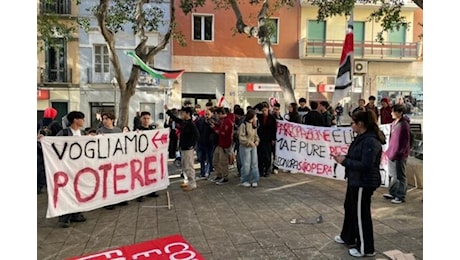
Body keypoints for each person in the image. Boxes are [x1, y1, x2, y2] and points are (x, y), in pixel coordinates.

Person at [332, 110, 386, 258]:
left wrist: (345, 161)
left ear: (360, 124)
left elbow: (366, 165)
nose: (351, 126)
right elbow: (355, 156)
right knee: (349, 208)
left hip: (364, 181)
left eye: (353, 123)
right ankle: (348, 237)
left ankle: (366, 248)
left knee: (361, 214)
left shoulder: (370, 140)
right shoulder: (362, 137)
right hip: (355, 179)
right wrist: (343, 159)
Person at [55, 111, 88, 228]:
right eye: (82, 119)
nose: (84, 121)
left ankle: (76, 214)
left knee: (78, 191)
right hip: (66, 167)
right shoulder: (64, 133)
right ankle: (64, 217)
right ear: (75, 120)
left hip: (79, 168)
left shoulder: (83, 133)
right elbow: (53, 145)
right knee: (66, 191)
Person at [96, 112, 128, 209]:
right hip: (105, 159)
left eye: (106, 118)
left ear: (112, 120)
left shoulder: (117, 130)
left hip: (116, 159)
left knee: (116, 179)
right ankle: (107, 202)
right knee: (107, 181)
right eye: (103, 119)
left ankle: (118, 199)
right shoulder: (100, 131)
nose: (104, 120)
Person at [165, 105, 200, 191]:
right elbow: (176, 119)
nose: (182, 114)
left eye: (183, 113)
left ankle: (192, 183)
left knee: (189, 166)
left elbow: (197, 136)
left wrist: (191, 144)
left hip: (188, 148)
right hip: (183, 147)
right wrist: (168, 111)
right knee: (184, 166)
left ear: (188, 114)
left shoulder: (191, 124)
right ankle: (187, 181)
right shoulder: (184, 122)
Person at [383, 104, 411, 204]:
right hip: (391, 152)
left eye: (393, 111)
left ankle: (400, 195)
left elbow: (405, 141)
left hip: (399, 155)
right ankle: (393, 192)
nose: (391, 113)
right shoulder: (394, 123)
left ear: (400, 112)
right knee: (392, 174)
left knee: (400, 176)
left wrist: (400, 153)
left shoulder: (404, 125)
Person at [134, 111, 159, 201]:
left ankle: (150, 191)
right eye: (144, 118)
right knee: (141, 175)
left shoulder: (152, 130)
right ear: (141, 119)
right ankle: (139, 195)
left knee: (150, 174)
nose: (146, 120)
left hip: (150, 156)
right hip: (140, 157)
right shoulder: (137, 130)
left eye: (148, 118)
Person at [37, 107, 63, 194]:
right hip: (51, 149)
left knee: (39, 167)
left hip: (38, 147)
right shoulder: (55, 124)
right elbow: (60, 136)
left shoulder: (38, 122)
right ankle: (49, 184)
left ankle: (38, 186)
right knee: (51, 166)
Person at [209, 107, 234, 185]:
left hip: (225, 145)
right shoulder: (222, 120)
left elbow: (223, 133)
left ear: (220, 114)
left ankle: (225, 177)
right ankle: (219, 175)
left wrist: (214, 128)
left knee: (223, 162)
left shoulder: (228, 122)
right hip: (220, 144)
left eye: (217, 114)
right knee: (215, 161)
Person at [238, 110, 260, 188]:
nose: (256, 118)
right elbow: (241, 137)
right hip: (245, 147)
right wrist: (249, 142)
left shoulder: (254, 125)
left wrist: (257, 140)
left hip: (253, 146)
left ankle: (255, 179)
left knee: (254, 163)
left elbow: (256, 135)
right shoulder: (243, 125)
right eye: (255, 117)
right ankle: (244, 180)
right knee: (246, 164)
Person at [256, 102, 277, 177]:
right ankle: (260, 170)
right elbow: (253, 109)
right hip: (260, 138)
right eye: (263, 110)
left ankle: (267, 169)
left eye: (265, 110)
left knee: (267, 155)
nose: (264, 112)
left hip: (268, 139)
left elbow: (274, 129)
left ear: (268, 109)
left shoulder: (272, 118)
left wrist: (273, 139)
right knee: (260, 155)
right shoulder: (259, 117)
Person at [195, 108, 216, 180]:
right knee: (202, 159)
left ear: (211, 114)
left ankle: (208, 172)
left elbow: (215, 131)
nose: (207, 116)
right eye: (206, 114)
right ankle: (202, 172)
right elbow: (196, 129)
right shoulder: (200, 121)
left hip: (209, 143)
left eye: (208, 114)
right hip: (201, 142)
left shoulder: (213, 121)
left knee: (209, 158)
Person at [271, 103, 283, 174]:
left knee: (276, 154)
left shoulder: (280, 118)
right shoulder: (270, 117)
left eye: (277, 109)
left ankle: (275, 167)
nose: (275, 111)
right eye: (274, 109)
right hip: (271, 138)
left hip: (278, 139)